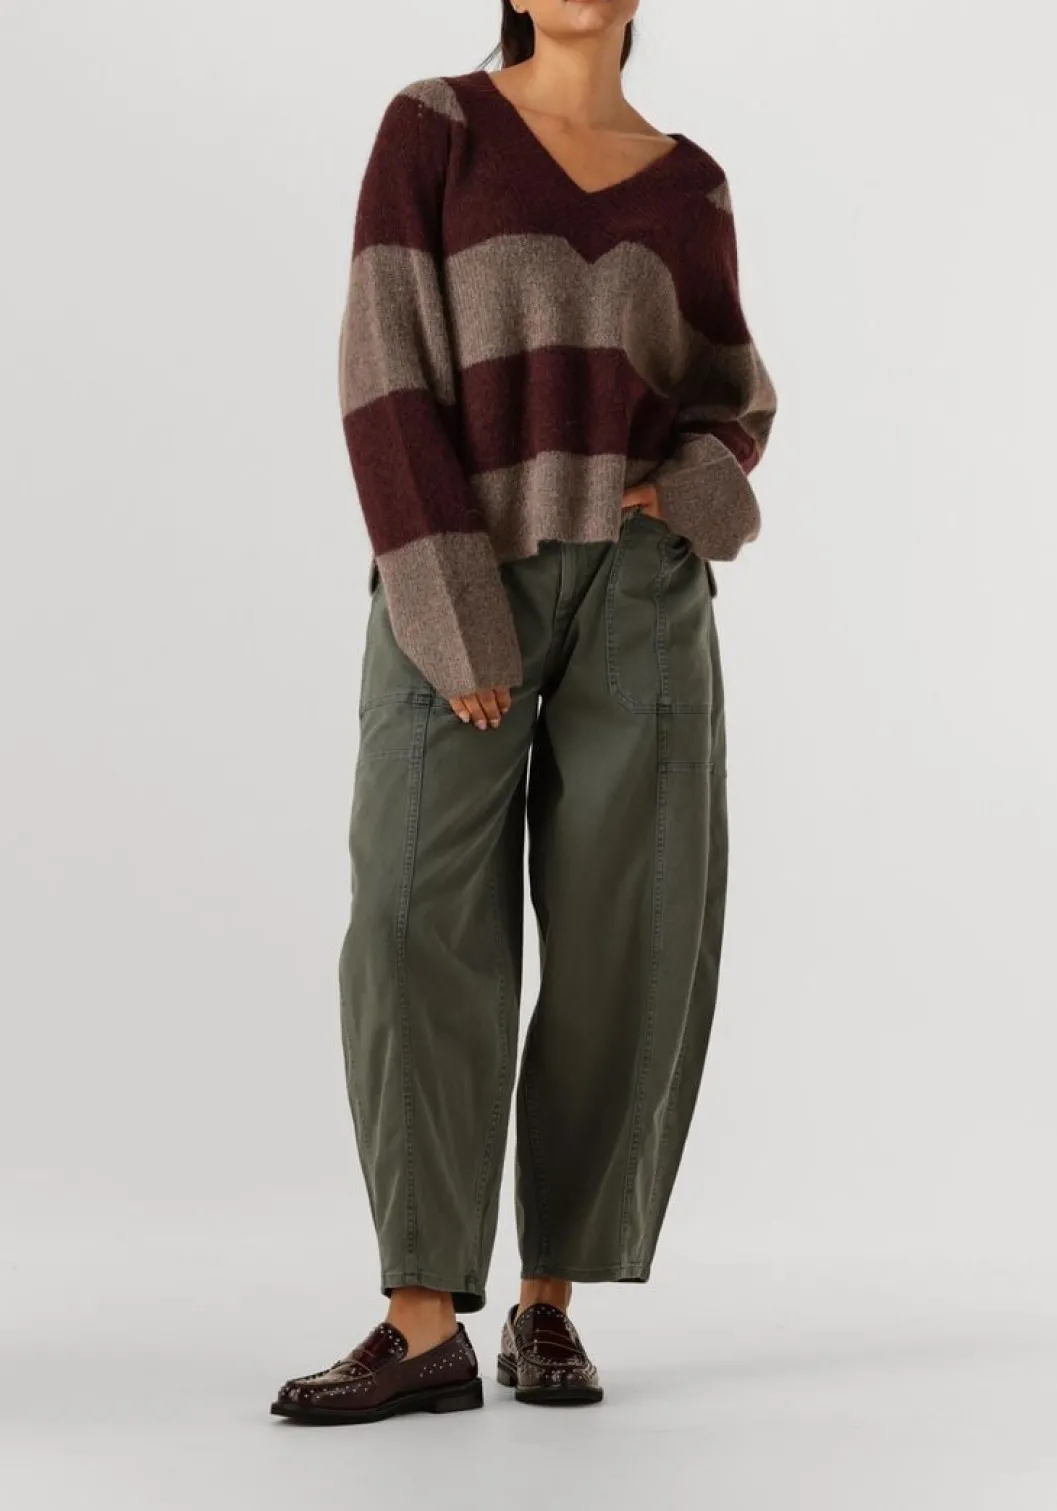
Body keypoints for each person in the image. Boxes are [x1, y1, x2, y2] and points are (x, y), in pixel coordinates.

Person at [271, 0, 777, 1425]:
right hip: (463, 566)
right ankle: (421, 1320)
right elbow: (383, 366)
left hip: (640, 588)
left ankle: (548, 1300)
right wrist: (446, 602)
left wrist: (683, 495)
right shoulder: (434, 129)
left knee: (631, 931)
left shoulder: (691, 185)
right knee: (411, 916)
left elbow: (735, 396)